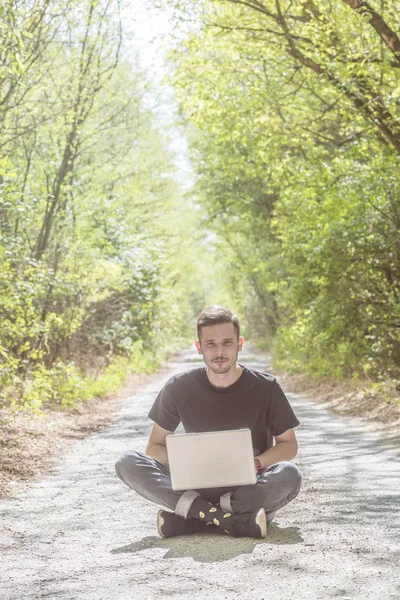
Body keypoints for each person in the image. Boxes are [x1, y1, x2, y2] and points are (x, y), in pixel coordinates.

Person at [115, 306, 302, 539]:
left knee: (289, 475)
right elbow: (154, 447)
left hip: (249, 489)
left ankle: (195, 519)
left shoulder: (266, 387)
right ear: (199, 347)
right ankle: (233, 522)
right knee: (128, 462)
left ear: (240, 343)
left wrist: (255, 463)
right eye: (211, 344)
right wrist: (185, 461)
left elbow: (288, 445)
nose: (219, 351)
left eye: (227, 343)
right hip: (195, 487)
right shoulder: (178, 387)